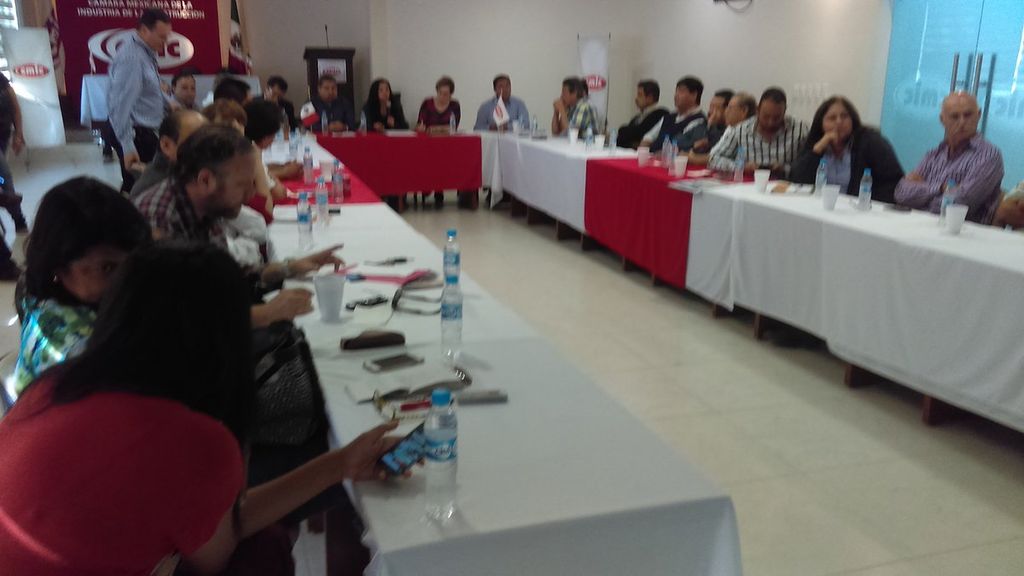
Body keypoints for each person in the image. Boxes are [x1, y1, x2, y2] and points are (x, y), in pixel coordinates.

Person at [0, 242, 404, 575]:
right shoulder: (187, 436)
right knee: (262, 552)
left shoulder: (54, 384)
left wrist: (340, 464)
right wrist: (330, 465)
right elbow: (216, 554)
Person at [133, 124, 339, 328]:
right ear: (205, 180)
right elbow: (173, 319)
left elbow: (228, 277)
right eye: (243, 185)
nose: (251, 195)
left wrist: (288, 268)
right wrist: (265, 314)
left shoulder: (205, 206)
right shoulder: (159, 217)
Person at [5, 178, 151, 403]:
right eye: (108, 268)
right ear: (59, 269)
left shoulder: (40, 290)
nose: (131, 275)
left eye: (135, 260)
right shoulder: (81, 352)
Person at [895, 92, 1004, 223]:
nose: (962, 122)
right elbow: (901, 194)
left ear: (979, 115)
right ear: (942, 120)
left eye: (968, 115)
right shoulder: (935, 154)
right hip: (922, 224)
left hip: (963, 230)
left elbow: (959, 204)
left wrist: (919, 197)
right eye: (954, 116)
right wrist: (941, 188)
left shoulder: (989, 155)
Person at [105, 8, 171, 193]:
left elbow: (148, 87)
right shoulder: (132, 58)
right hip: (136, 134)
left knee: (143, 186)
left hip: (145, 130)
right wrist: (128, 145)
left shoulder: (146, 53)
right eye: (161, 37)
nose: (165, 42)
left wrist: (168, 102)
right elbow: (119, 104)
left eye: (167, 37)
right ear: (143, 30)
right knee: (140, 188)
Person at [791, 96, 904, 203]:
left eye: (844, 116)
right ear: (821, 123)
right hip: (819, 206)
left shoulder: (871, 142)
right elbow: (796, 180)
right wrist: (817, 150)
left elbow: (894, 182)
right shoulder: (816, 142)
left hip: (860, 209)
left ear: (852, 120)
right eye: (832, 118)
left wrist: (866, 202)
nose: (839, 122)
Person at [709, 87, 808, 178]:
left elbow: (809, 163)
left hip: (786, 184)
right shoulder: (741, 130)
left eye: (777, 118)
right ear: (758, 110)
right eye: (766, 116)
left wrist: (785, 168)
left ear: (785, 111)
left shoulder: (799, 129)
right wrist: (742, 166)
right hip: (750, 184)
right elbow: (713, 158)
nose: (770, 122)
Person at [130, 109, 206, 197]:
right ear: (166, 145)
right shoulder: (149, 192)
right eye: (194, 142)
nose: (205, 149)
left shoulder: (191, 172)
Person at [416, 76, 462, 209]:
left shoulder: (454, 105)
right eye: (440, 93)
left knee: (446, 159)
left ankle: (439, 191)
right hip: (428, 145)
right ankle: (427, 188)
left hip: (447, 145)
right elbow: (421, 125)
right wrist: (425, 128)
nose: (442, 96)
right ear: (437, 91)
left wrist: (434, 129)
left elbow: (453, 127)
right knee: (428, 159)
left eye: (446, 94)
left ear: (451, 94)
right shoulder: (427, 103)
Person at [642, 76, 707, 153]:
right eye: (676, 91)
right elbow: (649, 137)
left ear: (694, 95)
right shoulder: (669, 116)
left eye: (681, 91)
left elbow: (682, 144)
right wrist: (643, 149)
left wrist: (664, 154)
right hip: (653, 156)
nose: (676, 95)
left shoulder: (699, 121)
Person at [689, 91, 756, 166]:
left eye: (730, 108)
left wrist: (694, 158)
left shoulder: (742, 129)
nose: (726, 112)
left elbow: (713, 158)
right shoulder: (733, 128)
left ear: (744, 110)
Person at [615, 80, 669, 150]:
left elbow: (640, 133)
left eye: (640, 95)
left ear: (650, 98)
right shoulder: (637, 117)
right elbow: (622, 137)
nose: (636, 99)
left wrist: (624, 132)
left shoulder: (660, 114)